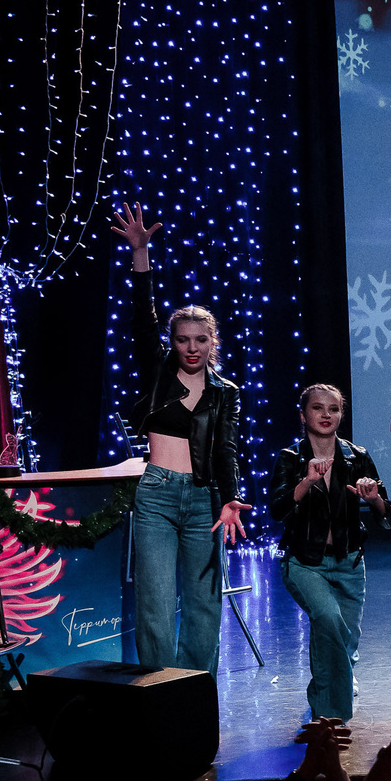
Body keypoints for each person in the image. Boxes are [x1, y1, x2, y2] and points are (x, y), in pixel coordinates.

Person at [111, 204, 248, 673]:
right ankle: (159, 695)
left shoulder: (225, 392)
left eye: (200, 339)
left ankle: (194, 697)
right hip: (157, 495)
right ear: (172, 342)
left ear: (213, 342)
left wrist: (230, 499)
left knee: (204, 605)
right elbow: (141, 319)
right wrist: (141, 254)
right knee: (154, 603)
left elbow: (226, 449)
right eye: (183, 339)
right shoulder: (157, 372)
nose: (192, 347)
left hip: (205, 502)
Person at [268, 383, 389, 724]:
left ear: (341, 414)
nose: (326, 414)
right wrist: (306, 482)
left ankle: (338, 681)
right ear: (302, 414)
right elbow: (277, 510)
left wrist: (373, 498)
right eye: (317, 408)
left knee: (345, 640)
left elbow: (385, 514)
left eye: (333, 409)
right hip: (305, 562)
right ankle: (330, 718)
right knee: (327, 619)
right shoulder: (290, 458)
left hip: (349, 562)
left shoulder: (356, 456)